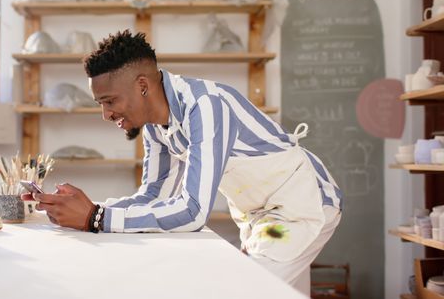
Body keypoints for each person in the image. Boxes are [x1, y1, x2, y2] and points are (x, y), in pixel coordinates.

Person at [22, 30, 342, 294]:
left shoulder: (206, 107)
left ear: (143, 86)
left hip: (299, 209)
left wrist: (95, 217)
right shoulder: (156, 127)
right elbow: (152, 197)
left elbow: (192, 211)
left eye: (109, 101)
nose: (106, 114)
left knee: (251, 290)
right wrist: (88, 207)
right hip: (258, 218)